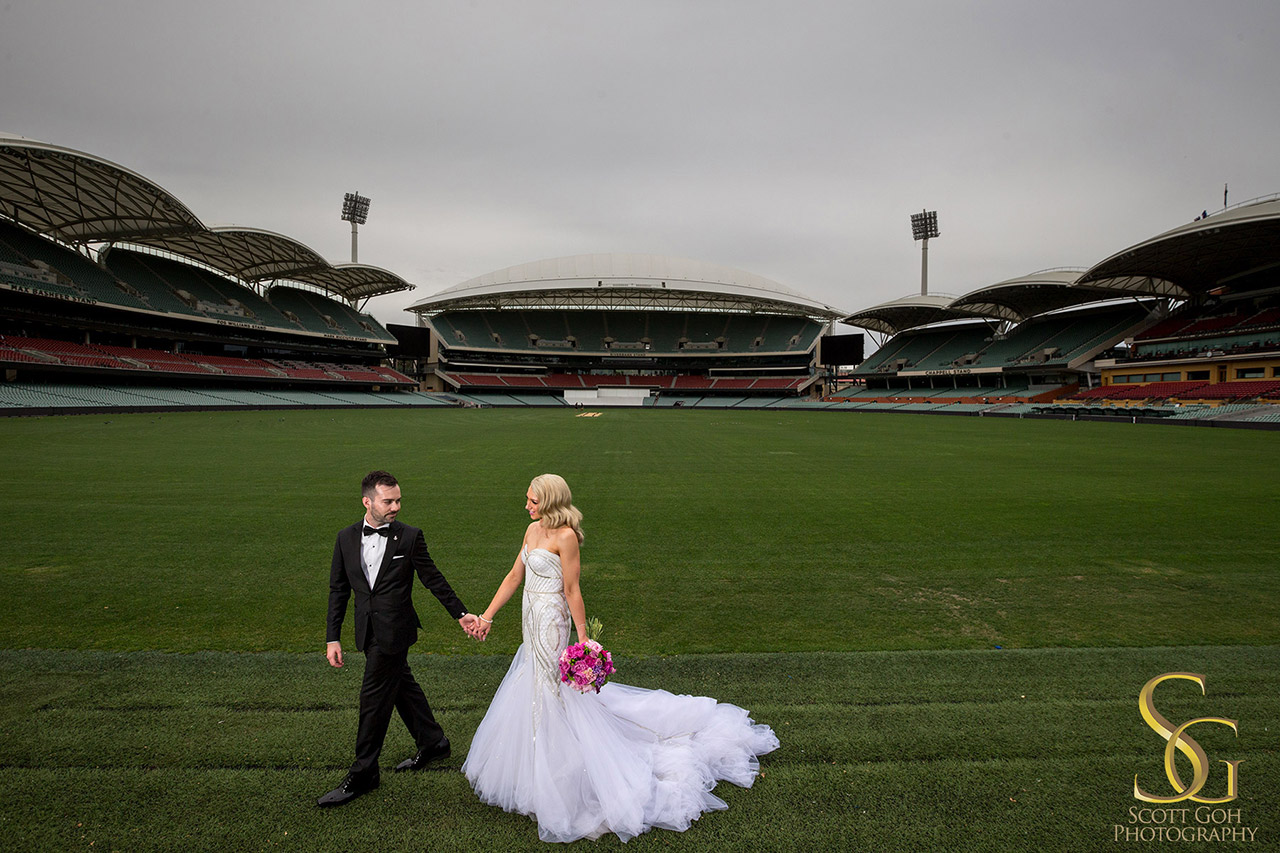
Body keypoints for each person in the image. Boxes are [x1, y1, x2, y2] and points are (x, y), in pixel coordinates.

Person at [462, 474, 778, 843]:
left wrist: (583, 640)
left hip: (551, 620)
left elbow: (572, 588)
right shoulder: (531, 531)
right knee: (533, 681)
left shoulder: (565, 536)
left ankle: (562, 767)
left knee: (551, 688)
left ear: (549, 501)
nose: (527, 506)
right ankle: (535, 761)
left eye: (532, 500)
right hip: (528, 616)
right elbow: (514, 576)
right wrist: (487, 616)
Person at [318, 470, 480, 808]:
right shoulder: (345, 538)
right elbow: (338, 590)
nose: (396, 506)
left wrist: (460, 613)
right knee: (401, 687)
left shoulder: (409, 537)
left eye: (398, 500)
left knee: (373, 700)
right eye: (388, 501)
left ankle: (364, 773)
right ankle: (434, 742)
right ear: (367, 502)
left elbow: (432, 577)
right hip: (367, 631)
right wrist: (333, 636)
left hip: (396, 632)